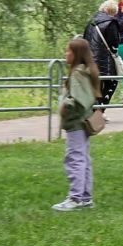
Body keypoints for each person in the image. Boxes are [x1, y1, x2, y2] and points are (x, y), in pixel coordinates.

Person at [52, 38, 101, 212]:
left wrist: (66, 106)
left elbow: (82, 99)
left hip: (76, 123)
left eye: (68, 51)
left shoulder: (78, 73)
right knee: (83, 159)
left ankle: (75, 198)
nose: (66, 54)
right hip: (82, 122)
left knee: (75, 158)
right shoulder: (84, 71)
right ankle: (85, 197)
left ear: (77, 54)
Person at [83, 0, 121, 117]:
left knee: (96, 86)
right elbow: (114, 43)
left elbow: (85, 38)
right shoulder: (111, 22)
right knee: (112, 82)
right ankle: (99, 112)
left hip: (89, 59)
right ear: (113, 12)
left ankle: (93, 110)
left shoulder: (91, 21)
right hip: (105, 61)